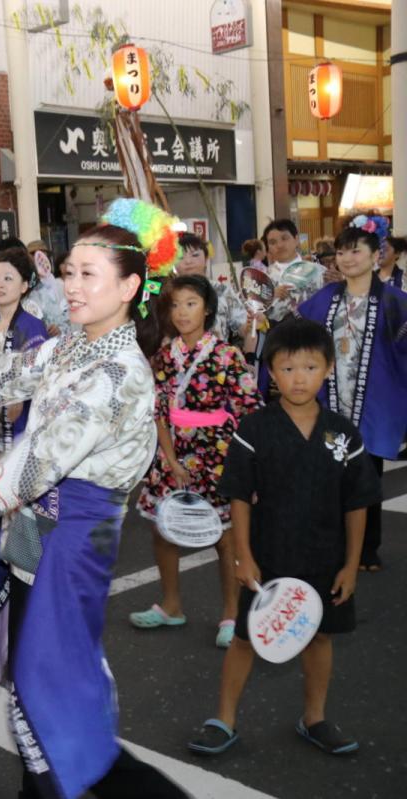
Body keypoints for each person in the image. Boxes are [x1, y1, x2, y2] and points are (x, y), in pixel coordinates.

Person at [0, 198, 189, 798]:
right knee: (35, 688)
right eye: (67, 271)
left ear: (129, 286)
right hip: (33, 536)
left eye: (87, 274)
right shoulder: (71, 344)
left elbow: (38, 458)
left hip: (72, 543)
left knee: (51, 698)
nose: (70, 284)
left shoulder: (119, 373)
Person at [189, 318, 380, 758]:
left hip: (326, 558)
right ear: (271, 372)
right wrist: (243, 556)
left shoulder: (342, 433)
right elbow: (238, 495)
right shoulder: (255, 428)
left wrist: (352, 564)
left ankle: (315, 717)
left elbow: (358, 504)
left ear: (328, 368)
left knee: (319, 635)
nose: (299, 378)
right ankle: (224, 719)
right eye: (288, 368)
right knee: (245, 636)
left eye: (310, 367)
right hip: (268, 554)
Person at [131, 275, 262, 648]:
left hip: (216, 455)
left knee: (225, 538)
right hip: (172, 452)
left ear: (207, 308)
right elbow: (157, 410)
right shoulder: (164, 355)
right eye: (174, 305)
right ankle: (172, 605)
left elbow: (248, 409)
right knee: (163, 527)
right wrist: (170, 459)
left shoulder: (226, 354)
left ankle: (231, 614)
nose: (182, 312)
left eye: (190, 303)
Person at [297, 215, 407, 573]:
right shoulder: (326, 297)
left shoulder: (395, 301)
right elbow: (304, 337)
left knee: (366, 474)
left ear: (377, 254)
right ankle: (336, 545)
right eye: (341, 252)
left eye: (355, 251)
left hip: (375, 399)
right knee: (330, 475)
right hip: (332, 397)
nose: (346, 258)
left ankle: (367, 548)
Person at [0, 249, 48, 547]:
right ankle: (1, 569)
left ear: (25, 286)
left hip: (19, 433)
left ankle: (22, 574)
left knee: (17, 508)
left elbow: (41, 374)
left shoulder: (31, 326)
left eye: (8, 278)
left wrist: (19, 395)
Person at [173, 232, 246, 343]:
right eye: (180, 257)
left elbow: (242, 327)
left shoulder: (222, 290)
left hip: (219, 357)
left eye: (195, 255)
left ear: (206, 258)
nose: (188, 261)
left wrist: (252, 325)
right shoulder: (167, 292)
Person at [264, 219, 321, 324]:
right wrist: (270, 297)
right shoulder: (262, 278)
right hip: (277, 336)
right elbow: (254, 316)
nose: (279, 245)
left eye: (284, 238)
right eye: (272, 242)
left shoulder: (318, 272)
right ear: (268, 247)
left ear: (296, 239)